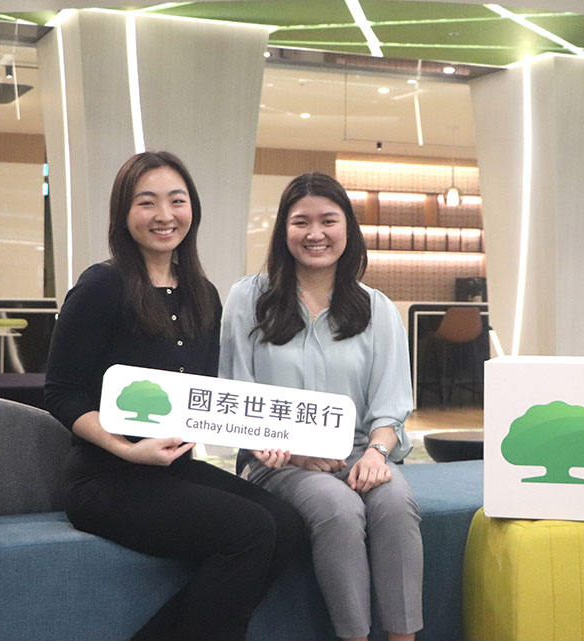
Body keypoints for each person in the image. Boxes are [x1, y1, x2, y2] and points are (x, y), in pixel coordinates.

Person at [44, 151, 304, 641]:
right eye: (147, 202)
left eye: (176, 200)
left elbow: (204, 398)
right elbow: (61, 392)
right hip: (106, 478)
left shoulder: (202, 293)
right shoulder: (102, 286)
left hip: (174, 471)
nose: (164, 215)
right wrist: (127, 448)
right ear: (124, 214)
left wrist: (257, 437)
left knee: (287, 524)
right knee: (250, 529)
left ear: (192, 209)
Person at [219, 172, 422, 641]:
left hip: (359, 452)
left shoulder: (376, 308)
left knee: (395, 503)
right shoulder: (248, 299)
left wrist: (377, 454)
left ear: (347, 228)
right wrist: (293, 450)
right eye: (301, 222)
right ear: (283, 230)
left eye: (328, 221)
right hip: (275, 459)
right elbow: (236, 396)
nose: (316, 234)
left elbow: (390, 406)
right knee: (337, 506)